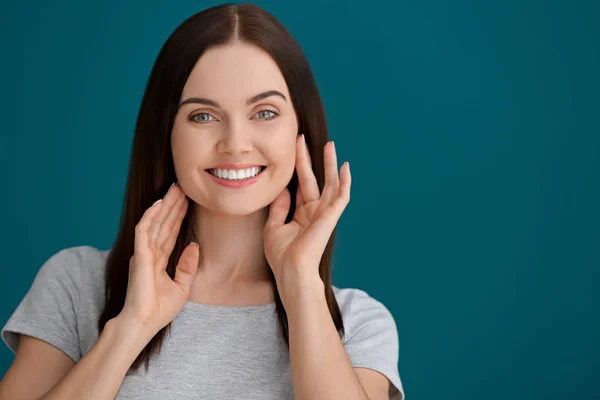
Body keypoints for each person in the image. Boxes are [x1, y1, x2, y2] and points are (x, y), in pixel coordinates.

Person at [0, 3, 404, 399]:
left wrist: (301, 285)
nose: (235, 144)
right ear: (166, 134)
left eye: (264, 113)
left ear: (301, 129)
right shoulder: (76, 283)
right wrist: (130, 329)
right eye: (203, 116)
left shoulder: (357, 322)